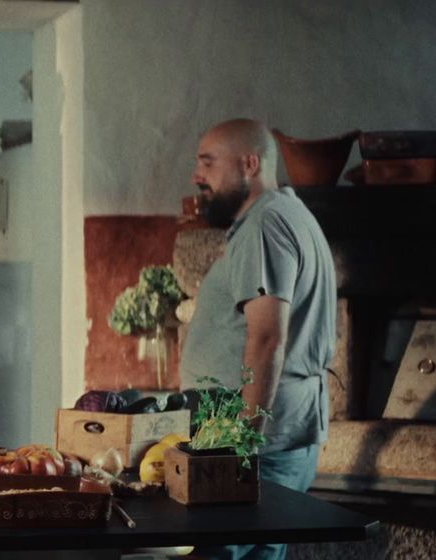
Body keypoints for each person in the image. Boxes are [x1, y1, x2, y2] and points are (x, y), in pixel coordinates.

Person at [180, 119, 337, 560]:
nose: (197, 175)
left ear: (250, 163)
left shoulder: (266, 225)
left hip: (257, 448)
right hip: (276, 440)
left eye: (208, 162)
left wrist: (241, 450)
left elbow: (268, 339)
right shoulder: (287, 215)